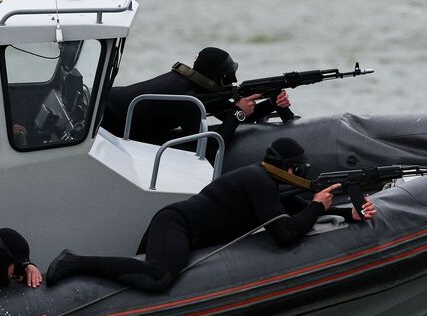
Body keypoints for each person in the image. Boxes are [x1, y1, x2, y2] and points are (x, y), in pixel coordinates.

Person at [45, 138, 375, 292]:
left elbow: (298, 215)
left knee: (145, 276)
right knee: (158, 277)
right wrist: (318, 204)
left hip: (181, 227)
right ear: (291, 169)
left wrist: (349, 215)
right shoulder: (257, 180)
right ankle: (74, 261)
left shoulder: (267, 186)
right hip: (176, 223)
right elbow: (285, 234)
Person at [100, 47, 292, 146]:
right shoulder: (187, 98)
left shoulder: (195, 84)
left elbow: (228, 115)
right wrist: (238, 113)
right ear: (219, 76)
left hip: (107, 102)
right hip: (105, 120)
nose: (232, 81)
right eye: (228, 76)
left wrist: (271, 103)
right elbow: (208, 145)